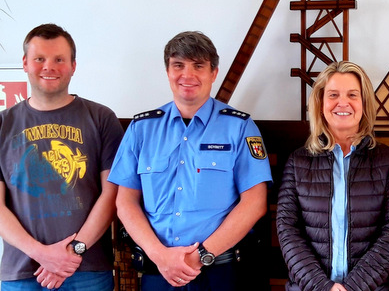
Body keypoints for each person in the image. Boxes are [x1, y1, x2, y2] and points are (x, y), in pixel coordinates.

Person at [108, 31, 272, 291]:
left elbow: (255, 203)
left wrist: (201, 256)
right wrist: (159, 255)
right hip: (156, 272)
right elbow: (125, 202)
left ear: (213, 73)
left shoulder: (240, 127)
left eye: (198, 66)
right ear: (167, 71)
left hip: (218, 272)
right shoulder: (141, 129)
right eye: (178, 65)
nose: (188, 75)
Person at [0, 23, 123, 290]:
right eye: (40, 59)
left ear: (73, 65)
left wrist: (74, 251)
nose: (49, 67)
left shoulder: (102, 119)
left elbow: (112, 195)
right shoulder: (2, 125)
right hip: (22, 272)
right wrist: (41, 253)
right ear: (25, 63)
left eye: (59, 59)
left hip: (87, 268)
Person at [276, 61, 389, 291]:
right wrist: (322, 286)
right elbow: (288, 232)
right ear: (320, 104)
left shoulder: (388, 161)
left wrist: (353, 287)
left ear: (364, 103)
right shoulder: (297, 162)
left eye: (352, 95)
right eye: (333, 94)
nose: (343, 102)